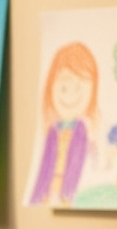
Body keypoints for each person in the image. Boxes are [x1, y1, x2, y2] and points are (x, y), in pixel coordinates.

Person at [28, 41, 100, 208]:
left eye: (78, 88)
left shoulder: (83, 132)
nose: (70, 96)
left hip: (69, 194)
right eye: (64, 88)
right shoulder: (52, 132)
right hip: (49, 193)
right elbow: (45, 166)